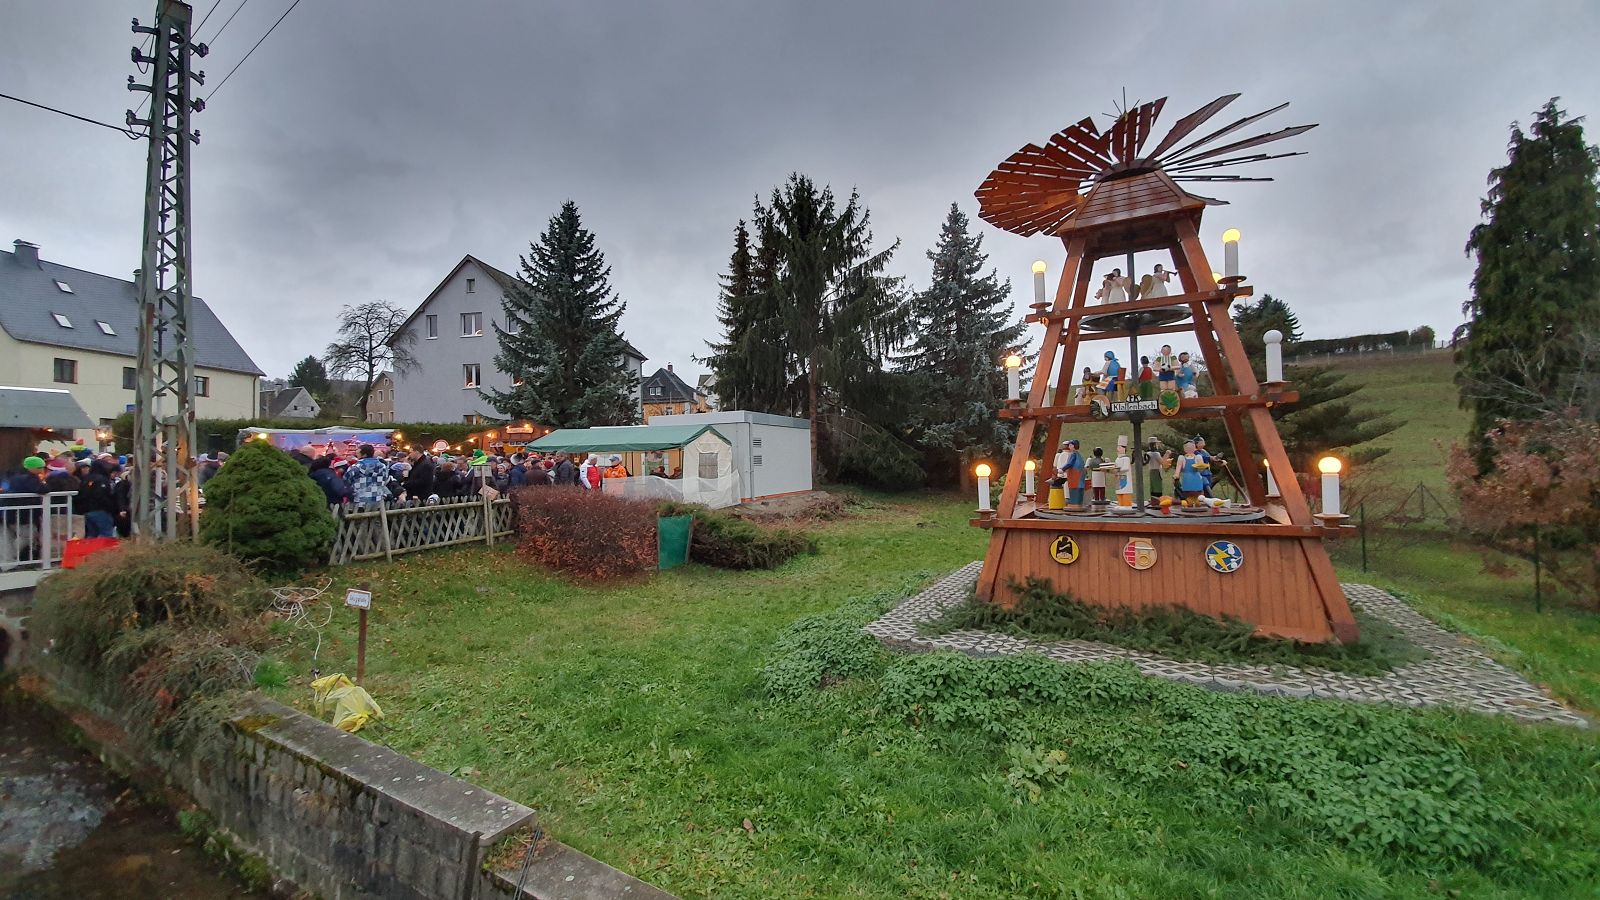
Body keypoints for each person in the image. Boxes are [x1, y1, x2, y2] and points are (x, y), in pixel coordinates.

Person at [73, 457, 117, 538]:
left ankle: (91, 546)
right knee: (105, 534)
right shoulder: (102, 479)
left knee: (91, 535)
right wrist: (111, 507)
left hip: (86, 511)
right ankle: (102, 547)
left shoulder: (85, 479)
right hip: (101, 510)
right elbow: (101, 495)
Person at [346, 443, 391, 508]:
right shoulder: (383, 466)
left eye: (358, 454)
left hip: (359, 500)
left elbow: (346, 481)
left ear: (364, 455)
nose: (356, 456)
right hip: (378, 499)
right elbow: (386, 480)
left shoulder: (355, 467)